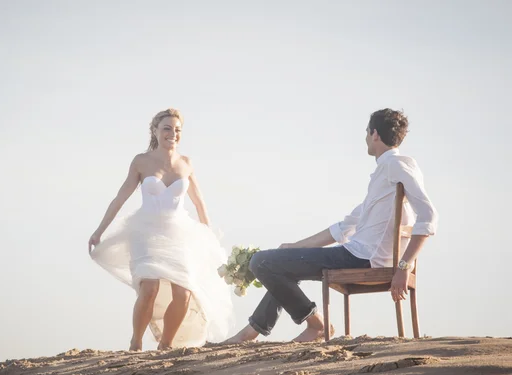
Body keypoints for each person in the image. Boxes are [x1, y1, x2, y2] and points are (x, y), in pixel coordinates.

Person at [224, 108, 438, 344]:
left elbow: (428, 216)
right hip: (357, 253)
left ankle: (317, 326)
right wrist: (295, 247)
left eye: (367, 132)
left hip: (362, 257)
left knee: (261, 262)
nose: (366, 137)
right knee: (278, 264)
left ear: (375, 134)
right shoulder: (384, 176)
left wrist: (404, 266)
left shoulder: (395, 165)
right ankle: (252, 331)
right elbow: (342, 228)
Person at [88, 108, 233, 351]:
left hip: (179, 233)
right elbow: (119, 198)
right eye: (167, 128)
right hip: (146, 231)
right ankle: (136, 342)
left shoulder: (186, 164)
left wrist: (209, 239)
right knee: (150, 287)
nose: (172, 134)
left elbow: (199, 203)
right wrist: (99, 230)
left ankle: (165, 345)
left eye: (177, 130)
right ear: (155, 131)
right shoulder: (141, 162)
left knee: (184, 293)